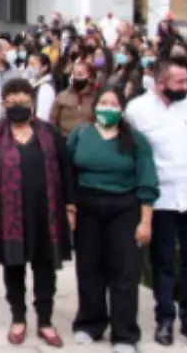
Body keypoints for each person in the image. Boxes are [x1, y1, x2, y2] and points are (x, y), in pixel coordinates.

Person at [0, 78, 75, 348]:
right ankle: (18, 318)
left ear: (33, 103)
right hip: (8, 215)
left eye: (24, 101)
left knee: (45, 267)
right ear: (3, 104)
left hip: (46, 214)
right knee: (13, 266)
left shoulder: (50, 134)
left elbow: (67, 173)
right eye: (12, 102)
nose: (18, 106)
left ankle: (45, 321)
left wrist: (70, 208)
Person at [124, 60, 187, 348]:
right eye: (179, 82)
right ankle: (165, 318)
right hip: (161, 199)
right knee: (162, 263)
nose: (186, 87)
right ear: (160, 83)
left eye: (186, 81)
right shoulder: (138, 110)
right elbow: (130, 150)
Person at [67, 86, 159, 351]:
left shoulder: (136, 140)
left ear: (122, 109)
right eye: (103, 103)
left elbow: (147, 180)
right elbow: (68, 173)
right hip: (87, 207)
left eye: (113, 104)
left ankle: (124, 334)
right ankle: (90, 323)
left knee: (125, 270)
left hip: (124, 208)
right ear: (95, 106)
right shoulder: (80, 134)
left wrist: (145, 221)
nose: (107, 108)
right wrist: (69, 209)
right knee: (89, 268)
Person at [50, 59, 98, 135]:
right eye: (74, 74)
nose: (76, 77)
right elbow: (53, 120)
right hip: (65, 137)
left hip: (87, 138)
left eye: (80, 74)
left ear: (89, 76)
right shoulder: (62, 96)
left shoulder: (96, 98)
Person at [26, 53, 57, 121]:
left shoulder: (46, 88)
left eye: (33, 64)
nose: (29, 67)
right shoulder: (33, 83)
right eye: (28, 64)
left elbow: (42, 116)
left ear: (44, 67)